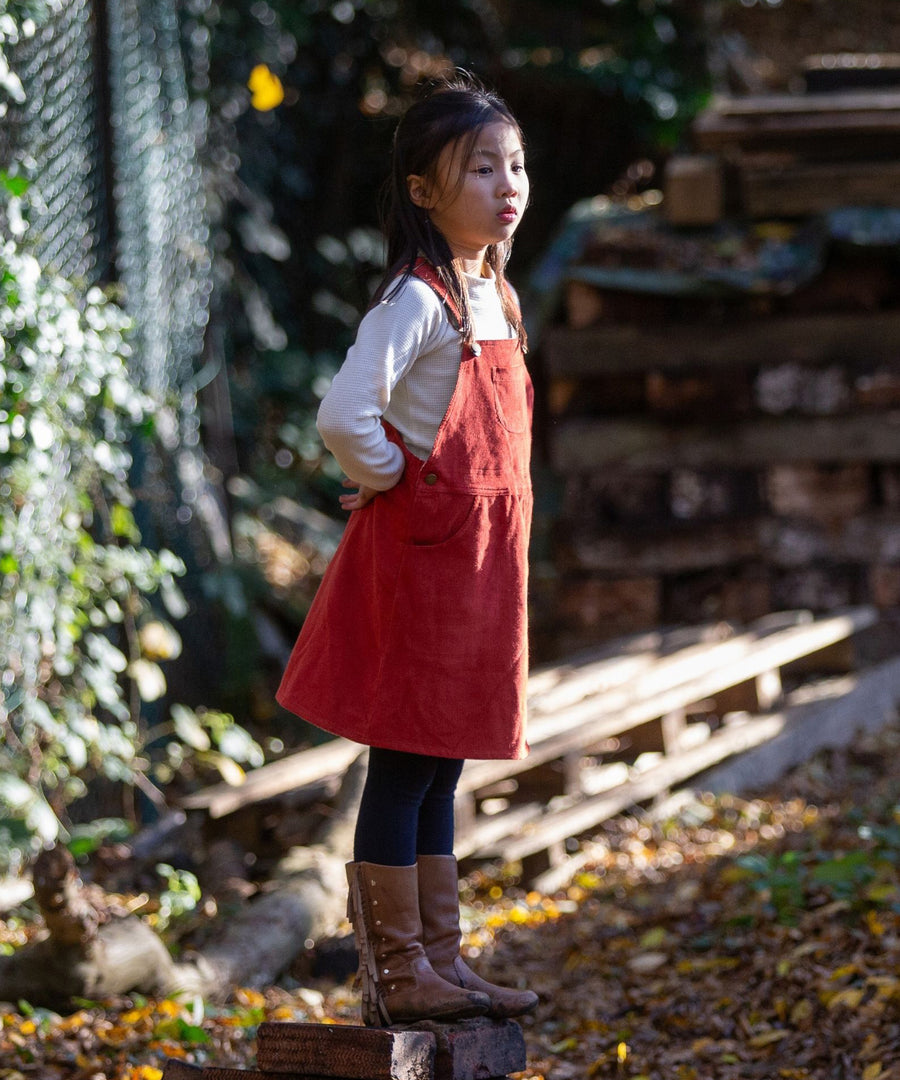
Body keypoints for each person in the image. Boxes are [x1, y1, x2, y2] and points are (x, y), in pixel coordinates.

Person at [277, 71, 538, 1029]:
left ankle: (443, 958)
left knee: (443, 764)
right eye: (479, 168)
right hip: (427, 561)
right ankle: (398, 971)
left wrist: (401, 466)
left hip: (479, 564)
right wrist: (390, 474)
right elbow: (346, 411)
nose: (506, 184)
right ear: (425, 191)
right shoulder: (418, 298)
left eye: (515, 164)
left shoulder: (498, 296)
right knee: (402, 760)